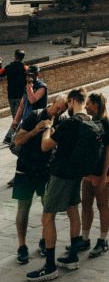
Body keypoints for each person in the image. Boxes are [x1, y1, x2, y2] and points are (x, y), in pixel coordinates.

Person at [26, 88, 101, 282]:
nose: (66, 108)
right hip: (76, 174)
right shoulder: (90, 122)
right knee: (72, 210)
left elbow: (45, 146)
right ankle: (72, 257)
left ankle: (49, 266)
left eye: (68, 104)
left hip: (60, 175)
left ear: (74, 101)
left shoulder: (70, 123)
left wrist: (49, 127)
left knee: (47, 216)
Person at [12, 95, 67, 265]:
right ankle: (22, 246)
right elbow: (17, 140)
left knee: (48, 207)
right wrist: (36, 130)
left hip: (46, 171)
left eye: (62, 110)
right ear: (52, 103)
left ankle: (44, 240)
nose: (58, 112)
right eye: (57, 108)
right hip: (26, 169)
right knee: (23, 208)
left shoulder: (62, 121)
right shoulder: (34, 115)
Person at [80, 92, 109, 258]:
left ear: (96, 105)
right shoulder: (88, 121)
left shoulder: (105, 123)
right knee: (86, 203)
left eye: (88, 104)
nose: (86, 106)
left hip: (103, 170)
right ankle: (85, 237)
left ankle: (103, 240)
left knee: (103, 204)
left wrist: (103, 176)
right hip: (88, 170)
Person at [1, 49, 27, 145]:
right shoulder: (25, 68)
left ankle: (13, 137)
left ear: (15, 56)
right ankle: (8, 138)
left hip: (11, 96)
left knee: (15, 118)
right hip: (21, 97)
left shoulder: (9, 67)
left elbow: (0, 73)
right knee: (17, 118)